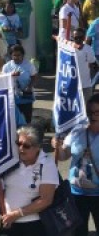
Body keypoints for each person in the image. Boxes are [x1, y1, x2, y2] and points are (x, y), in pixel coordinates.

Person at [0, 125, 59, 236]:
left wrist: (17, 214)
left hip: (34, 225)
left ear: (38, 147)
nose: (21, 148)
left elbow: (46, 200)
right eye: (18, 143)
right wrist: (6, 214)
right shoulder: (10, 161)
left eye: (26, 146)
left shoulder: (47, 164)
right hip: (8, 222)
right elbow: (0, 189)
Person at [53, 93, 99, 236]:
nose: (94, 116)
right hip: (76, 192)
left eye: (98, 112)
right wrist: (58, 147)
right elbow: (63, 156)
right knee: (78, 232)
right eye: (90, 112)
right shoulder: (77, 131)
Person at [2, 44, 37, 123]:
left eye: (19, 55)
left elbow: (34, 76)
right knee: (14, 121)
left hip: (26, 98)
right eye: (14, 55)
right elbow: (2, 79)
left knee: (27, 120)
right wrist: (11, 75)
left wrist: (29, 86)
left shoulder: (29, 65)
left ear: (22, 55)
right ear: (11, 55)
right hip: (12, 99)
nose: (16, 57)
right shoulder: (6, 67)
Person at [72, 27, 96, 105]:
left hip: (86, 84)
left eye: (81, 37)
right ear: (73, 38)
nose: (78, 39)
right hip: (72, 84)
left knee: (88, 106)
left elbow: (92, 63)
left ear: (84, 38)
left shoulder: (88, 49)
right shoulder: (69, 48)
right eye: (76, 38)